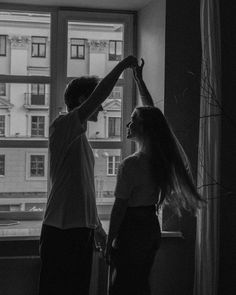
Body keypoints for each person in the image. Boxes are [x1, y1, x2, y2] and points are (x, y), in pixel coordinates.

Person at [38, 55, 138, 295]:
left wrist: (97, 228)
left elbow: (83, 189)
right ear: (84, 100)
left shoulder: (80, 138)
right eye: (95, 101)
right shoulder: (63, 126)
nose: (102, 107)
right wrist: (122, 66)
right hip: (60, 229)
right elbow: (100, 95)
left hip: (78, 229)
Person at [105, 59, 203, 295]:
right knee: (139, 284)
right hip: (150, 228)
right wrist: (139, 80)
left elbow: (119, 208)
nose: (128, 124)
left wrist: (109, 242)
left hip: (131, 230)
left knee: (123, 287)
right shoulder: (161, 159)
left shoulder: (131, 165)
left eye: (133, 121)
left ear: (143, 129)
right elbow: (154, 118)